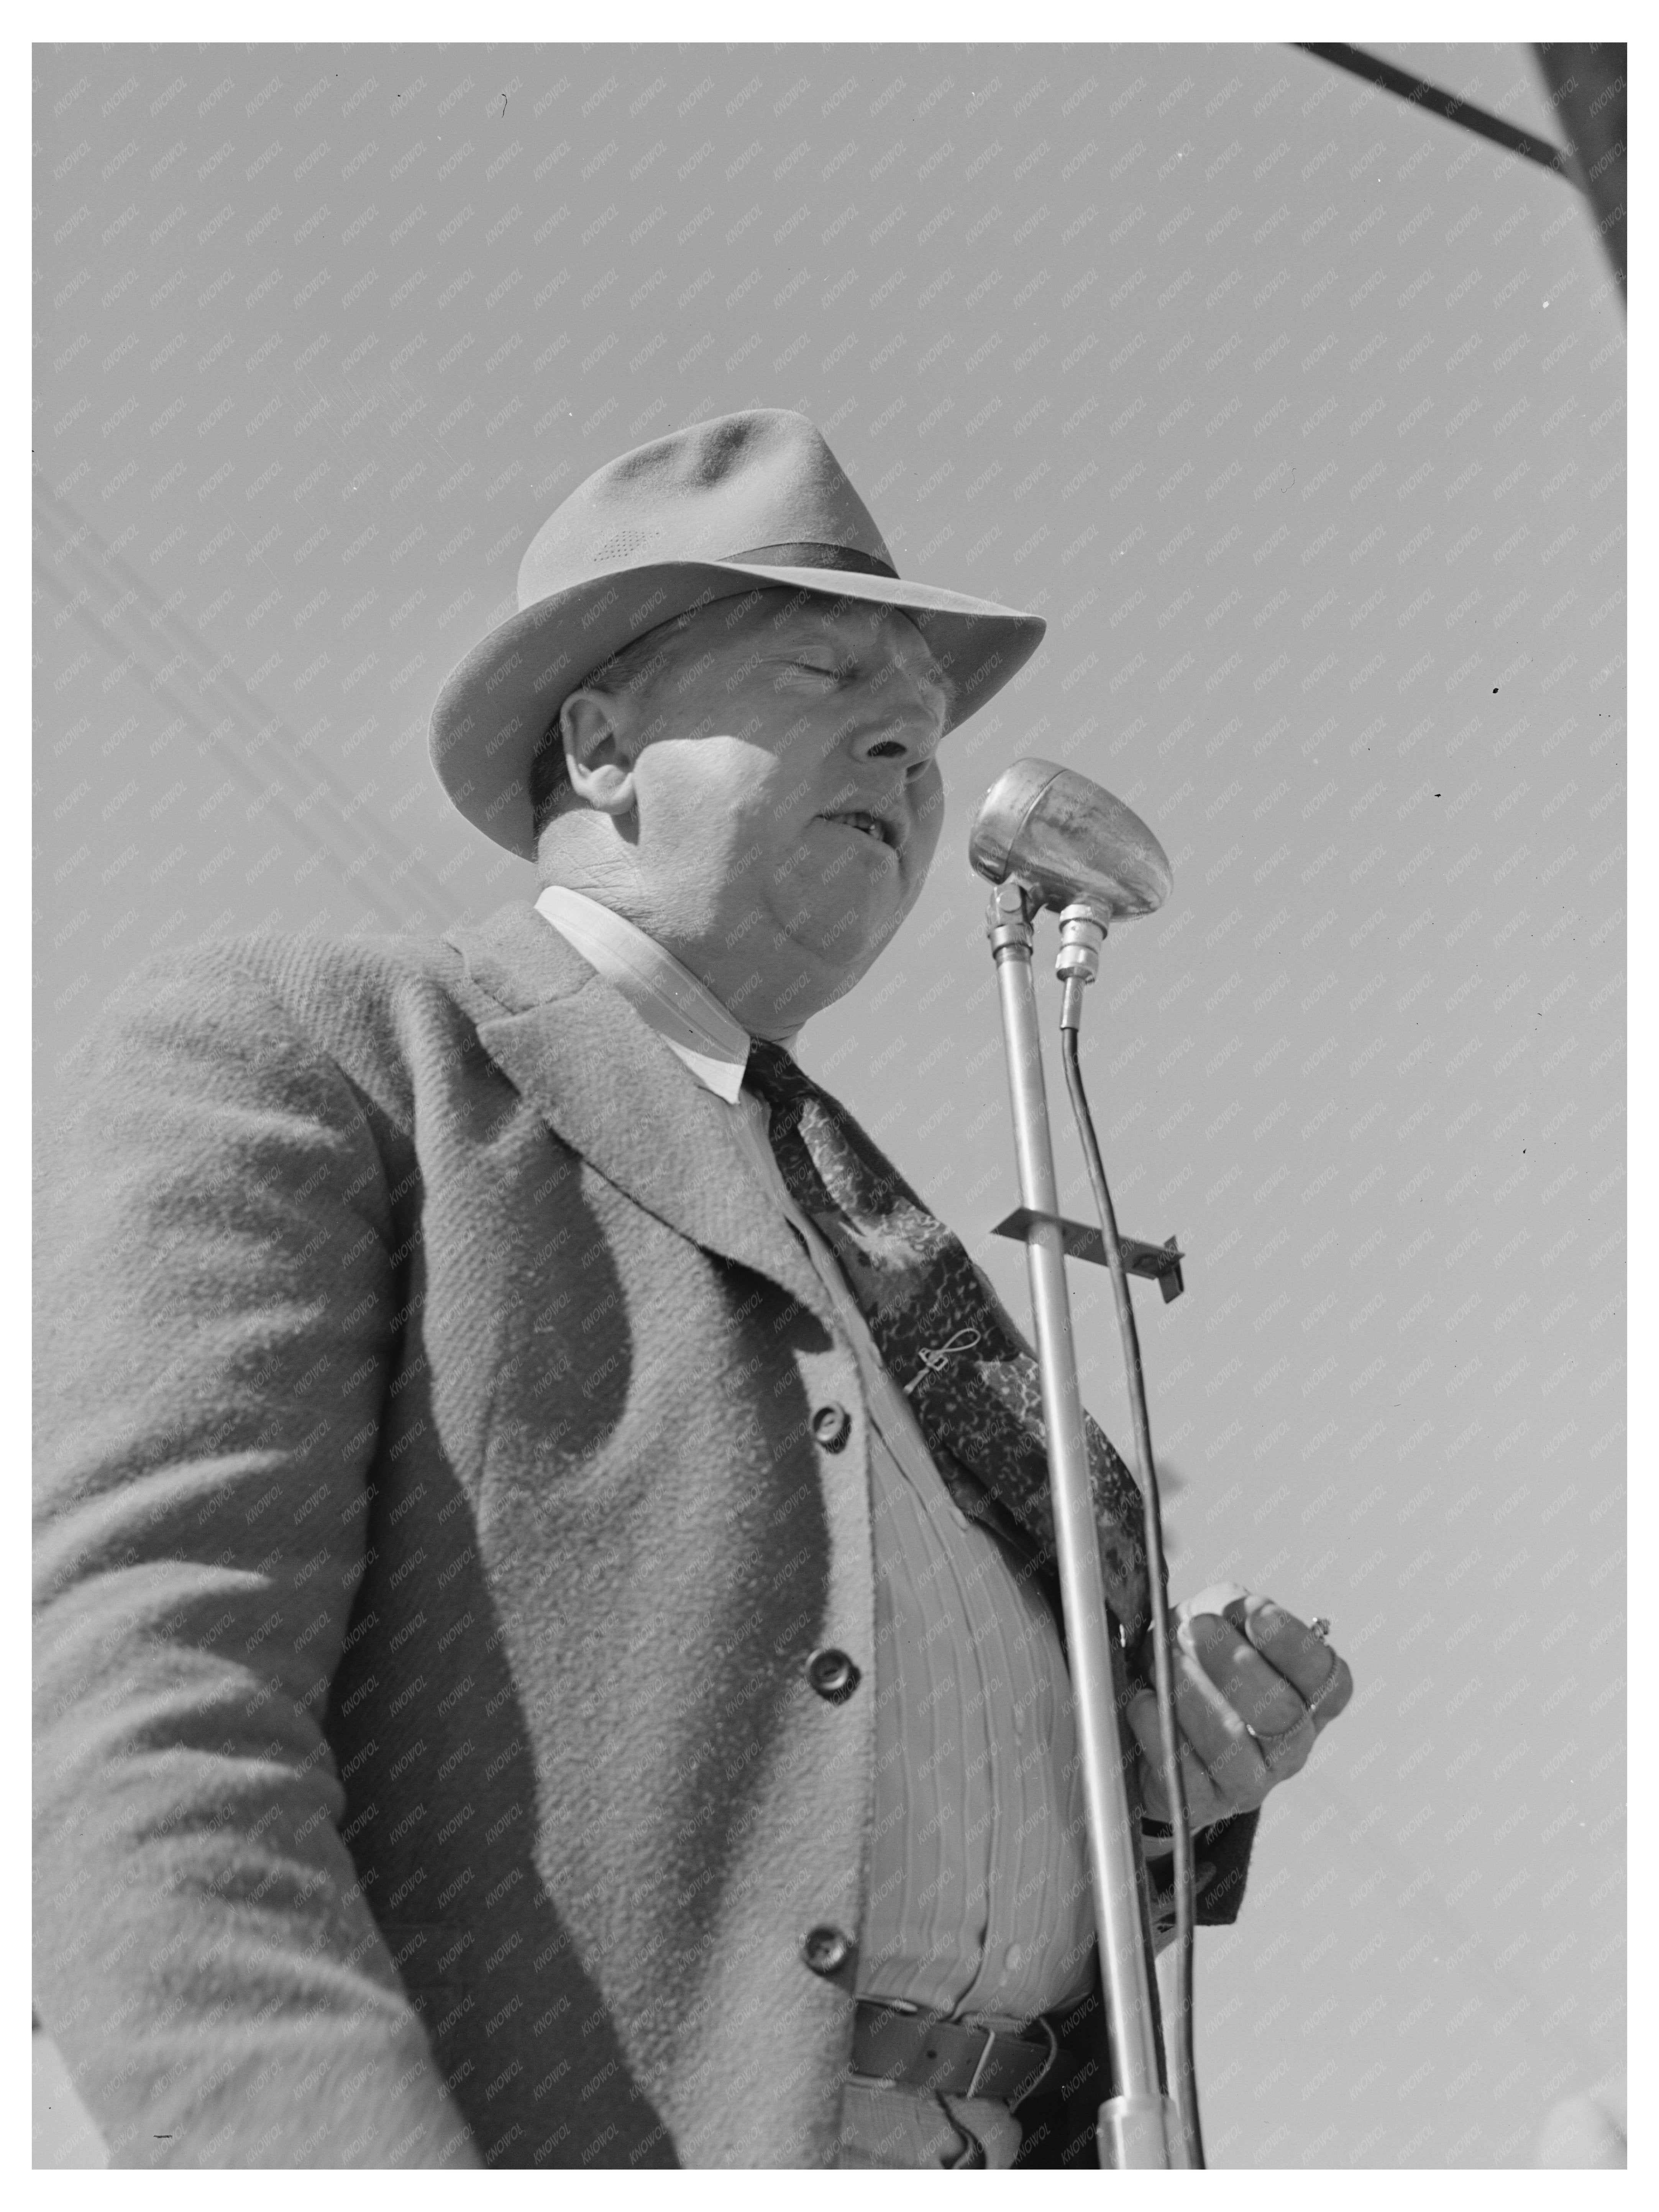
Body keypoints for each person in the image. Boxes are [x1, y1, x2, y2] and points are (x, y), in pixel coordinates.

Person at [33, 409, 1353, 2169]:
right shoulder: (331, 1052)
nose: (912, 743)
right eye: (828, 673)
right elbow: (140, 1742)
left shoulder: (887, 1252)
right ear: (601, 746)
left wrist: (1143, 1773)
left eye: (932, 726)